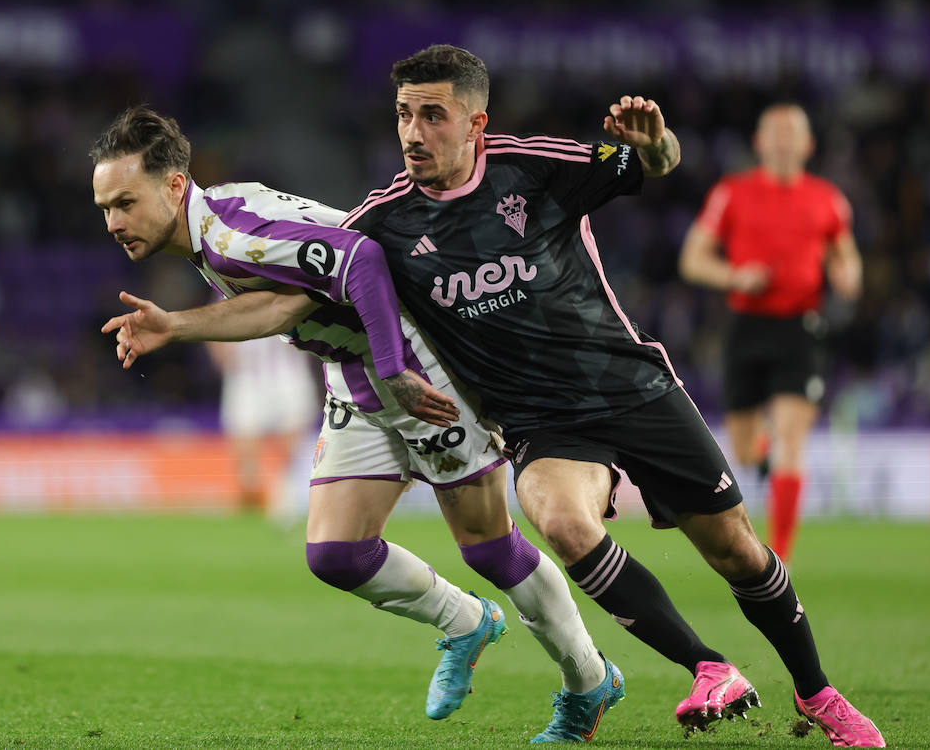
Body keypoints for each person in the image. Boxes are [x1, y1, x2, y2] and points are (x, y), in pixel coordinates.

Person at [115, 47, 884, 748]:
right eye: (403, 115)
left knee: (735, 552)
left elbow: (652, 163)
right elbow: (294, 301)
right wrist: (179, 326)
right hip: (539, 419)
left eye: (432, 115)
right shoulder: (383, 222)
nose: (412, 133)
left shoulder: (532, 168)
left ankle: (818, 692)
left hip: (630, 383)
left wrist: (654, 145)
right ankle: (708, 668)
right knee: (559, 520)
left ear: (476, 123)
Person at [91, 106, 625, 742]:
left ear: (175, 186)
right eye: (104, 208)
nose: (113, 223)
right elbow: (283, 305)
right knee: (336, 553)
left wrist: (398, 369)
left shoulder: (234, 234)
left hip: (416, 358)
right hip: (354, 365)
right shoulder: (211, 231)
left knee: (487, 545)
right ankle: (466, 621)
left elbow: (364, 260)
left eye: (125, 202)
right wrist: (176, 326)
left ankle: (589, 680)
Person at [678, 104, 862, 561]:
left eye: (791, 133)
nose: (782, 140)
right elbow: (693, 259)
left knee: (790, 439)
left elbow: (847, 257)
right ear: (759, 143)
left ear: (807, 144)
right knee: (743, 450)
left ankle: (779, 557)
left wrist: (848, 276)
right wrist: (734, 277)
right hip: (746, 327)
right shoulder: (732, 193)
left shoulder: (828, 199)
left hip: (800, 328)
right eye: (774, 133)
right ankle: (761, 462)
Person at [205, 332, 320, 518]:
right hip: (245, 376)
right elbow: (212, 324)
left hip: (288, 375)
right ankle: (252, 503)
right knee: (246, 452)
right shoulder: (228, 301)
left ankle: (286, 501)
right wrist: (221, 355)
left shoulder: (291, 301)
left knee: (292, 447)